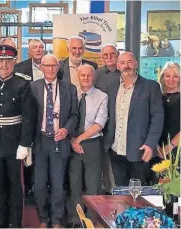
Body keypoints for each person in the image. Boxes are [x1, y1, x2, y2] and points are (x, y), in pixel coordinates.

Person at [0, 44, 34, 228]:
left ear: (14, 62)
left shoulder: (23, 82)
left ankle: (15, 223)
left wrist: (25, 144)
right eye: (0, 60)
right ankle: (0, 223)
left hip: (15, 143)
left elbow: (29, 116)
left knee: (15, 186)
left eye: (8, 61)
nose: (4, 64)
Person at [28, 54, 78, 228]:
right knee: (39, 184)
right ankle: (43, 218)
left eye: (53, 66)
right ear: (41, 67)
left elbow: (74, 115)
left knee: (58, 183)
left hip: (60, 140)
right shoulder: (32, 87)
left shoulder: (69, 88)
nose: (50, 69)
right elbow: (28, 116)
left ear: (58, 67)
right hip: (40, 140)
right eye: (46, 66)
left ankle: (56, 219)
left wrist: (66, 129)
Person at [104, 52, 164, 186]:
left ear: (136, 63)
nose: (127, 66)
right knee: (121, 192)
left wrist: (150, 143)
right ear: (118, 66)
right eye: (123, 63)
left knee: (139, 195)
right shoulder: (112, 87)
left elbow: (158, 117)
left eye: (130, 62)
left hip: (140, 150)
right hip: (115, 150)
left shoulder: (151, 87)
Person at [67, 64, 108, 227]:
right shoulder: (70, 93)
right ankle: (75, 219)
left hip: (91, 143)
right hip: (71, 144)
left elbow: (99, 123)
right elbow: (65, 118)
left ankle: (91, 220)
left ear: (94, 76)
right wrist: (72, 140)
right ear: (78, 76)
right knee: (74, 183)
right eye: (82, 75)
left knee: (93, 184)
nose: (86, 78)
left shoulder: (102, 96)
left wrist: (79, 140)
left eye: (89, 75)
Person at [94, 44, 120, 194]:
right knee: (104, 165)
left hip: (122, 126)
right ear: (101, 57)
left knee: (118, 167)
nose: (109, 58)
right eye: (105, 55)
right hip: (102, 126)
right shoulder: (97, 74)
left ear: (118, 54)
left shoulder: (125, 72)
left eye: (112, 54)